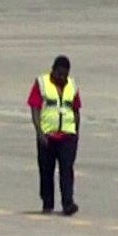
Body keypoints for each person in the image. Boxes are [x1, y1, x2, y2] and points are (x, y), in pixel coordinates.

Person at [27, 55, 81, 215]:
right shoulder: (41, 83)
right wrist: (39, 132)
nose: (62, 78)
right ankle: (47, 203)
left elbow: (76, 109)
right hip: (47, 135)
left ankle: (68, 203)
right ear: (53, 71)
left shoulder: (72, 85)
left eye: (65, 75)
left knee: (67, 170)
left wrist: (76, 132)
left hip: (67, 135)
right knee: (46, 171)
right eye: (59, 74)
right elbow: (35, 108)